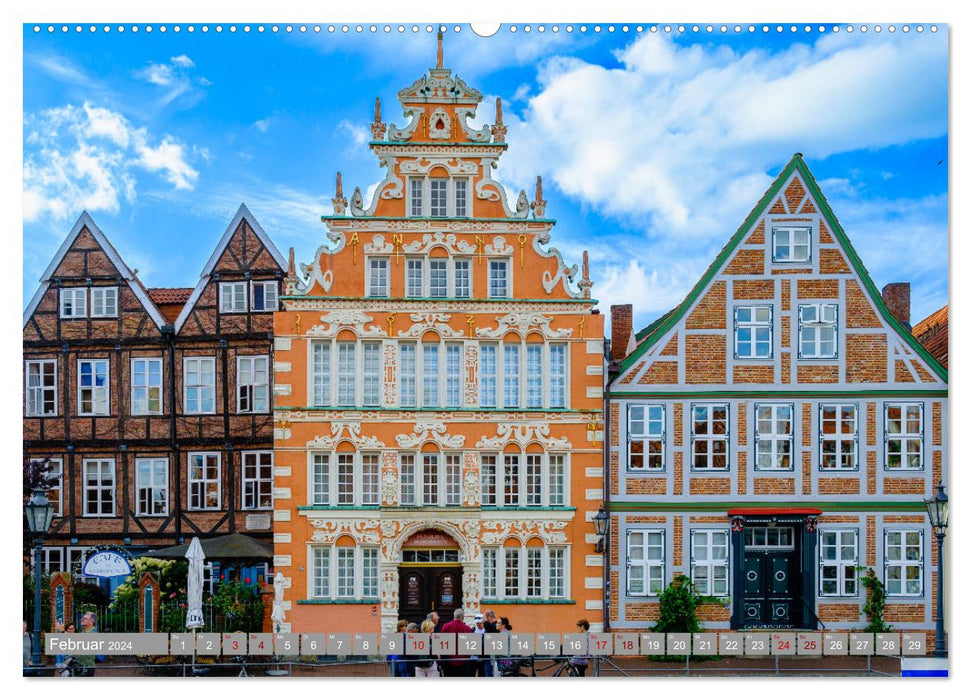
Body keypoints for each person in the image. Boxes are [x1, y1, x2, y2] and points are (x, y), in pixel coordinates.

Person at [439, 608, 473, 677]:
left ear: (454, 616)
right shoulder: (467, 629)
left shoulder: (446, 626)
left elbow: (441, 645)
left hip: (448, 661)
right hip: (463, 661)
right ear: (463, 617)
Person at [73, 612, 98, 676]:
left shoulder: (94, 633)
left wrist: (63, 631)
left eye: (85, 618)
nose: (82, 619)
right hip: (78, 666)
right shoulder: (82, 632)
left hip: (87, 667)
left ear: (91, 621)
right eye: (82, 618)